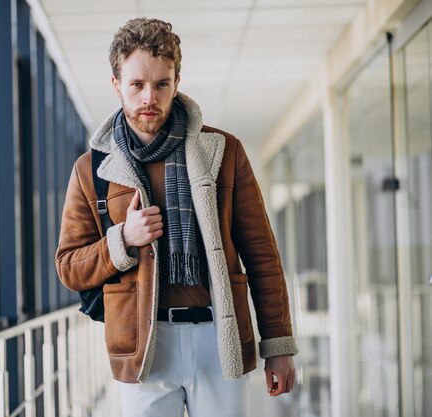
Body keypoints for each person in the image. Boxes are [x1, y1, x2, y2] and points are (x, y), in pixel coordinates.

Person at [55, 17, 297, 417]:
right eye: (137, 84)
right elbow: (68, 267)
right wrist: (123, 239)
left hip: (220, 339)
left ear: (176, 82)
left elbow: (262, 256)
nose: (149, 96)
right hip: (143, 346)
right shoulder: (91, 169)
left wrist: (279, 346)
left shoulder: (224, 151)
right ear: (116, 85)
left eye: (161, 84)